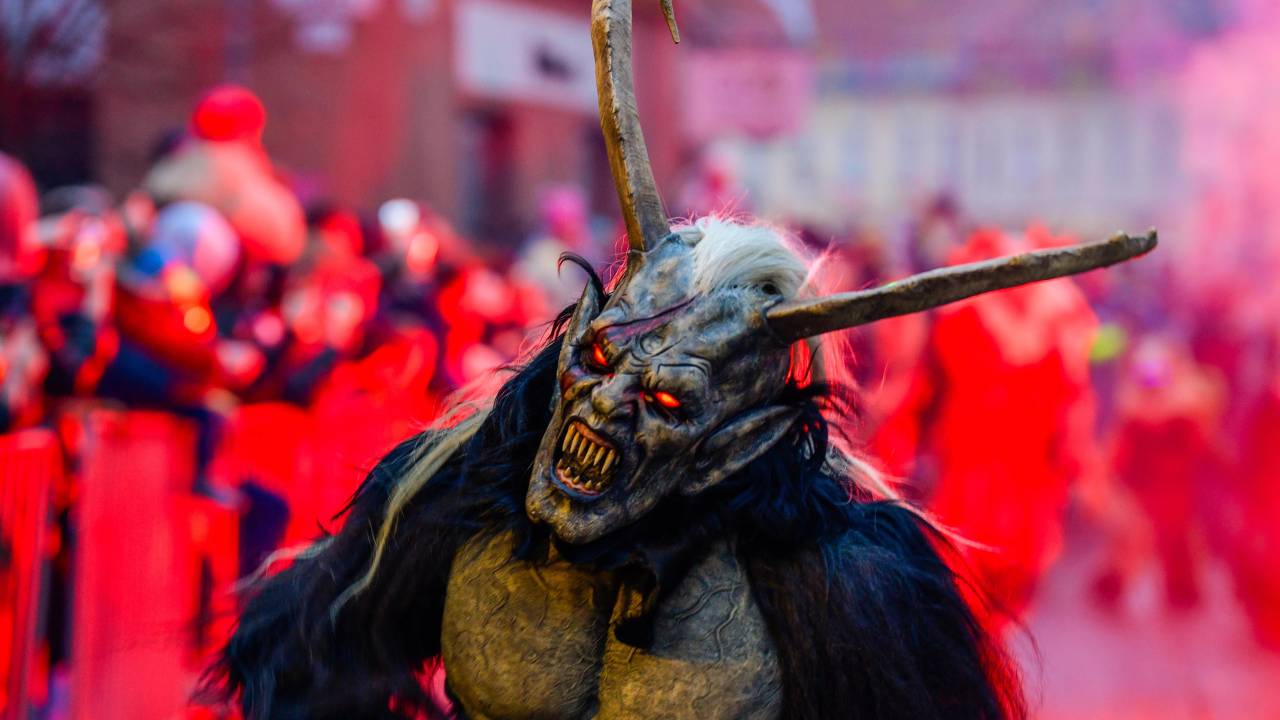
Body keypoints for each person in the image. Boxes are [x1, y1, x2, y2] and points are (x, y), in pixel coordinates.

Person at [203, 2, 1154, 718]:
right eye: (600, 361)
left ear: (737, 421)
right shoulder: (459, 492)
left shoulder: (844, 581)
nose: (604, 408)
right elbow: (305, 650)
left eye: (664, 396)